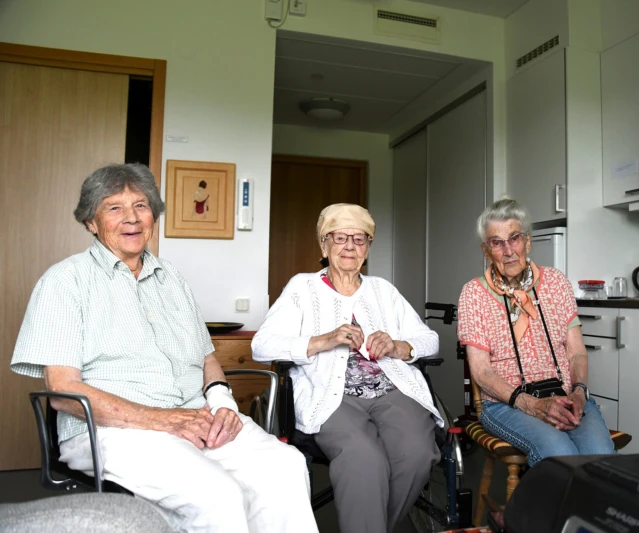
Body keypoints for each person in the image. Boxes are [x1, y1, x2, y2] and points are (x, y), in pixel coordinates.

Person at [10, 163, 318, 533]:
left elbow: (207, 359)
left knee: (283, 466)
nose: (132, 219)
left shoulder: (172, 279)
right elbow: (62, 391)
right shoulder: (65, 281)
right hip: (113, 430)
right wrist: (164, 420)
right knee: (216, 493)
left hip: (194, 417)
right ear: (91, 222)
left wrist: (222, 405)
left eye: (141, 206)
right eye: (114, 208)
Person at [252, 203, 442, 533]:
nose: (350, 246)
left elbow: (429, 339)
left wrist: (398, 346)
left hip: (391, 389)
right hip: (331, 395)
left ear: (368, 248)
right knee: (363, 459)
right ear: (323, 246)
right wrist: (323, 340)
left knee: (418, 453)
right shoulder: (302, 288)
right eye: (339, 238)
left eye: (359, 238)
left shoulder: (383, 290)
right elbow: (262, 345)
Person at [457, 198, 614, 467]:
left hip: (565, 395)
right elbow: (481, 372)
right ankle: (535, 509)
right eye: (497, 242)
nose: (508, 251)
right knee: (560, 456)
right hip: (505, 405)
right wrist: (530, 404)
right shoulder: (474, 293)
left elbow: (576, 352)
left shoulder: (556, 282)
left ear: (527, 242)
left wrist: (578, 392)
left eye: (514, 238)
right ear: (486, 251)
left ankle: (532, 510)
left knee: (600, 458)